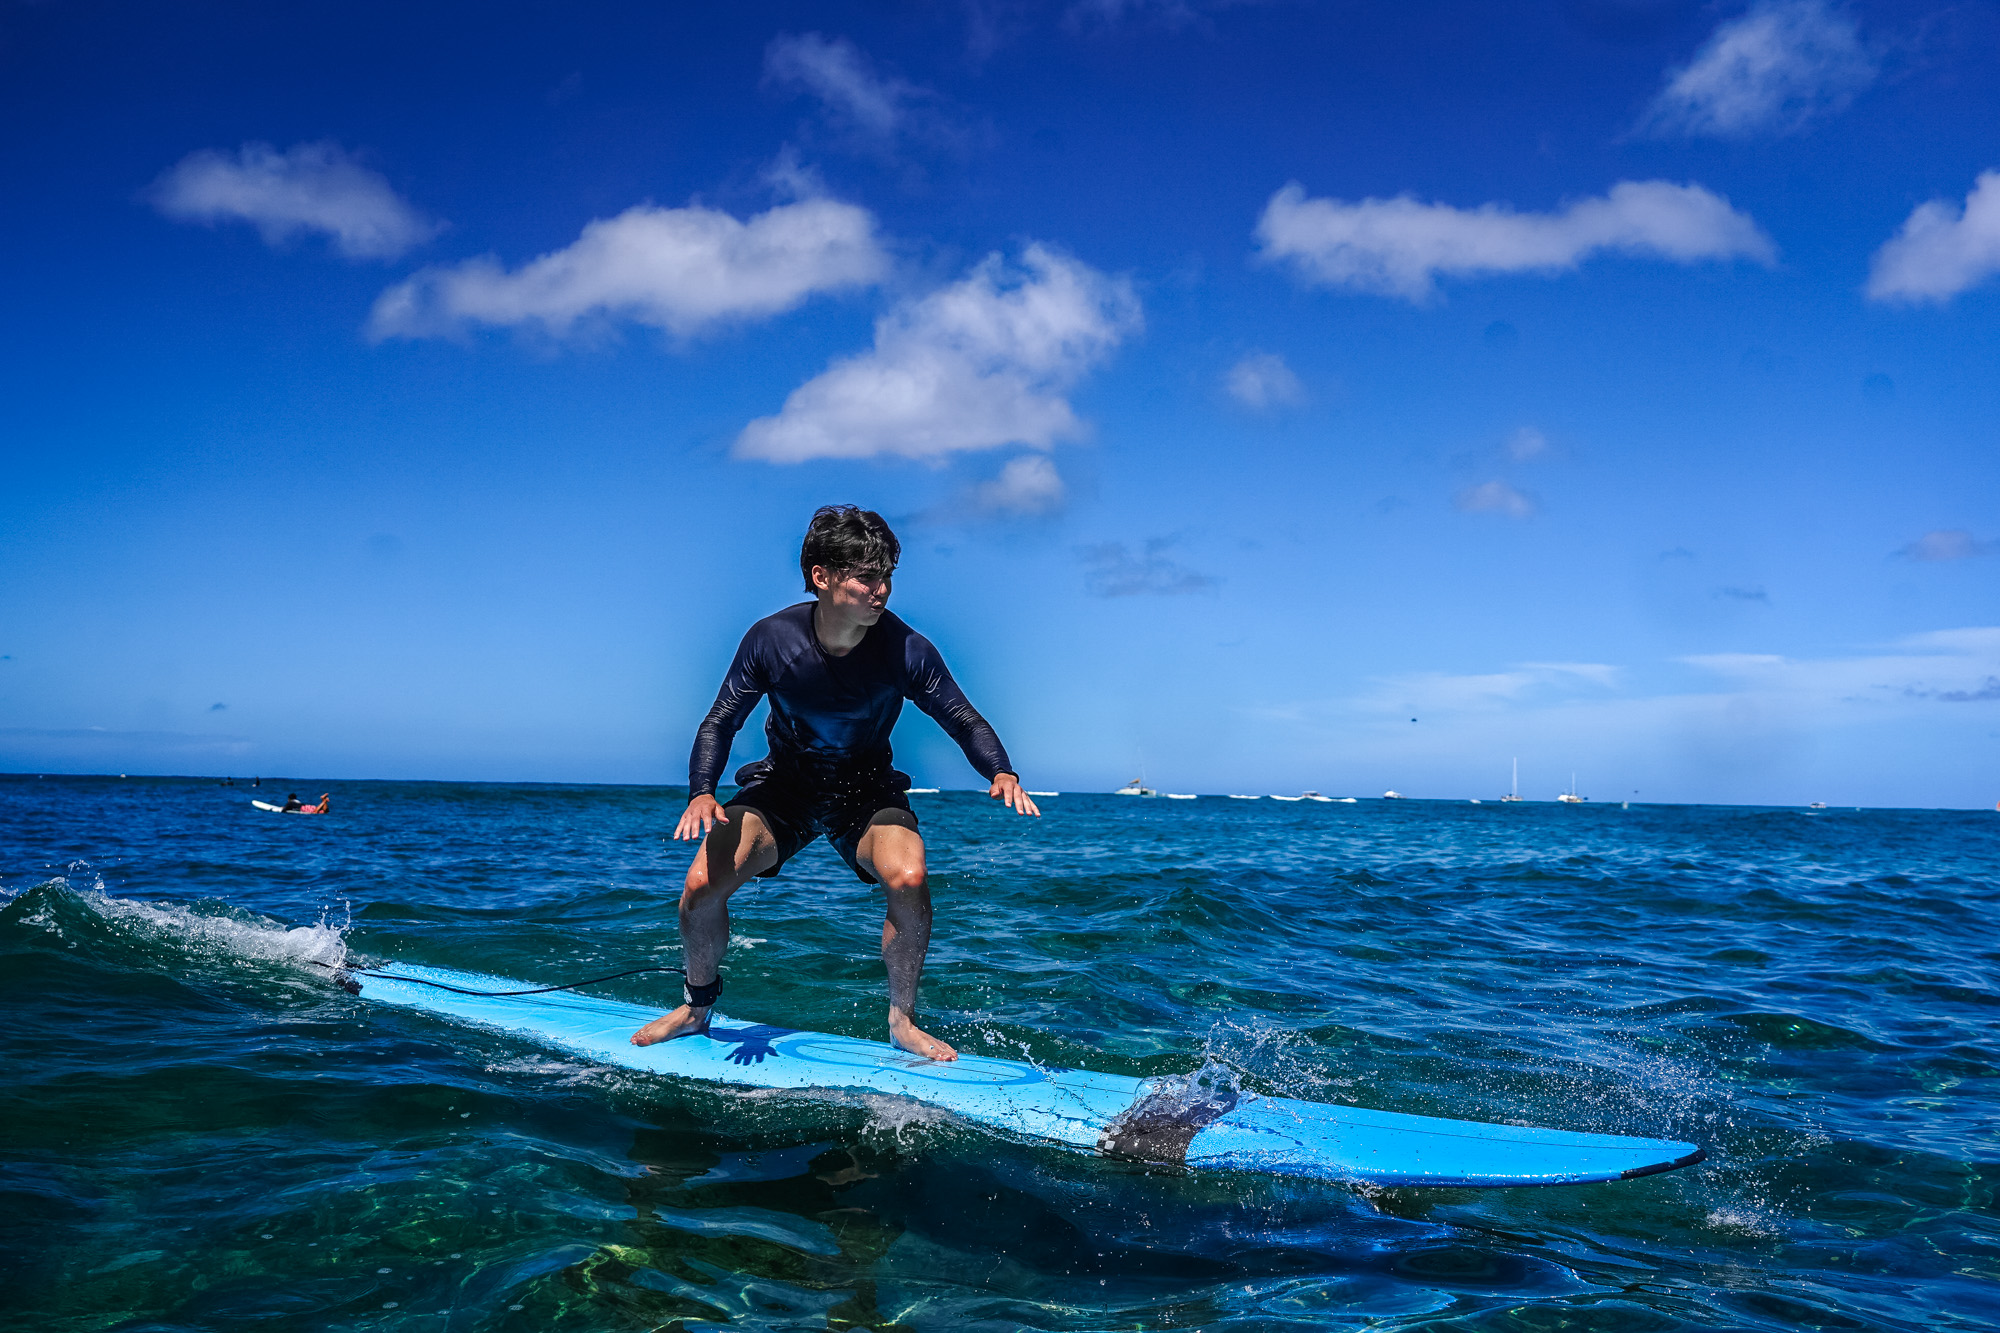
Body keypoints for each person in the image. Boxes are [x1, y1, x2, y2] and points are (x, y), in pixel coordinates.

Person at [631, 505, 1039, 1061]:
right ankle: (697, 1008)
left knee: (910, 875)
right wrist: (702, 790)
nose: (882, 590)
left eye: (887, 577)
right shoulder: (771, 641)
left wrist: (1001, 770)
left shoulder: (906, 650)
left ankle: (903, 1023)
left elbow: (963, 719)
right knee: (702, 886)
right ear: (822, 576)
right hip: (784, 787)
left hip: (865, 794)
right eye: (868, 577)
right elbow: (721, 719)